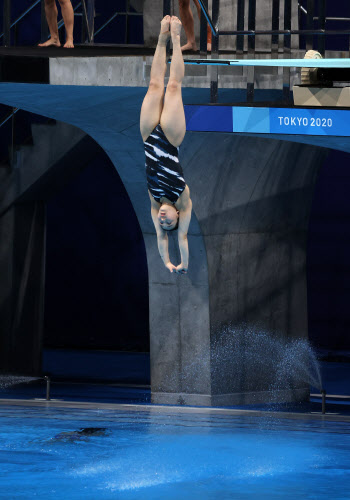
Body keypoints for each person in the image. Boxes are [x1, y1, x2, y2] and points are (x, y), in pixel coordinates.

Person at [140, 16, 192, 275]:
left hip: (148, 136)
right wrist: (181, 263)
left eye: (163, 222)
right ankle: (176, 37)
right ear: (178, 218)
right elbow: (179, 238)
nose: (164, 218)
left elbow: (160, 238)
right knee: (172, 87)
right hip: (171, 139)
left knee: (154, 85)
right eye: (169, 221)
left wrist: (165, 263)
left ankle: (162, 36)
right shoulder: (183, 200)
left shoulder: (153, 202)